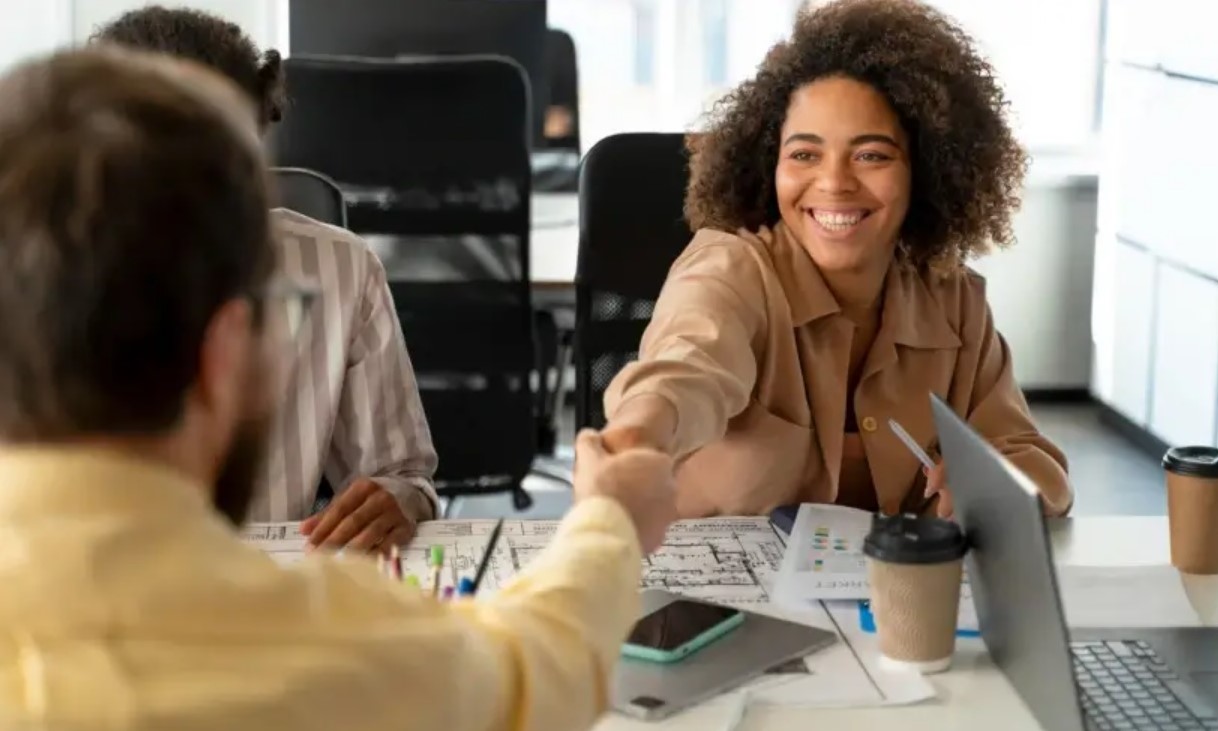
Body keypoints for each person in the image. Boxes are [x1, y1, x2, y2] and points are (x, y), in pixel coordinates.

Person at [0, 46, 676, 730]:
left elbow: (404, 472)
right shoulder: (338, 645)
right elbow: (537, 673)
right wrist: (609, 525)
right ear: (224, 354)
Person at [599, 0, 1071, 520]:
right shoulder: (729, 270)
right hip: (708, 598)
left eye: (872, 155)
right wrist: (636, 435)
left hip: (894, 598)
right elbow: (684, 372)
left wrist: (994, 485)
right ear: (768, 165)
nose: (834, 183)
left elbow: (1032, 461)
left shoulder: (952, 299)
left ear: (926, 170)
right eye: (804, 154)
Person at [92, 6, 438, 553]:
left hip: (266, 591)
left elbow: (402, 475)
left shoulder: (341, 270)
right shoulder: (31, 275)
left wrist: (400, 497)